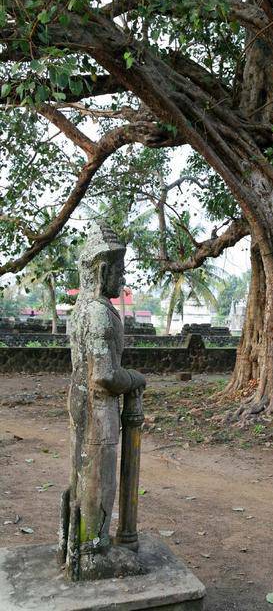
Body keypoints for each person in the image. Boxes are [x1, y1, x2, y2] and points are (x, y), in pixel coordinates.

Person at [60, 221, 146, 581]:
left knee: (83, 472)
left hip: (84, 405)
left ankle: (73, 543)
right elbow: (104, 375)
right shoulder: (96, 312)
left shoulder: (84, 309)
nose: (123, 278)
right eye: (120, 270)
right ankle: (92, 551)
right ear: (102, 270)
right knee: (99, 476)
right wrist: (135, 379)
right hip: (98, 408)